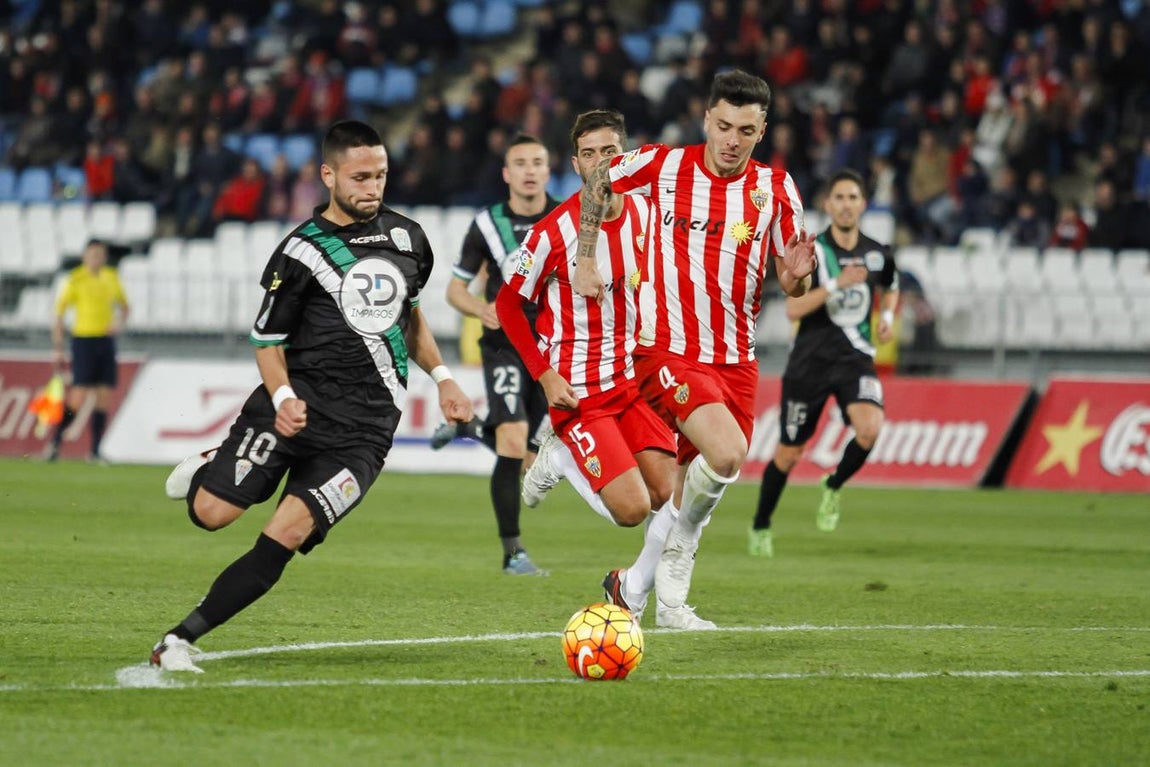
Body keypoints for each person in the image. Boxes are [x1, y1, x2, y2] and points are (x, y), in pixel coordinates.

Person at [149, 120, 473, 673]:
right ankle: (211, 463)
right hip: (294, 411)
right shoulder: (300, 251)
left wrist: (444, 376)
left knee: (287, 533)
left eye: (382, 176)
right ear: (328, 175)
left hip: (365, 432)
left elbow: (409, 317)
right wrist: (281, 399)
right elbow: (267, 341)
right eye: (360, 177)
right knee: (211, 514)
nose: (373, 188)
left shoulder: (409, 239)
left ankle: (178, 641)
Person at [573, 70, 817, 624]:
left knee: (695, 481)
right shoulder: (663, 165)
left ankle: (643, 592)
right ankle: (674, 567)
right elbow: (597, 182)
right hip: (664, 348)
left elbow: (790, 274)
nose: (732, 140)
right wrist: (587, 257)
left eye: (746, 131)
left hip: (736, 359)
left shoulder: (776, 189)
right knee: (727, 452)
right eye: (724, 125)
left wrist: (798, 277)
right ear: (706, 119)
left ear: (762, 131)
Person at [495, 110, 695, 627]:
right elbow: (507, 305)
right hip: (578, 392)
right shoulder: (552, 232)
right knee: (630, 512)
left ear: (624, 156)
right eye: (589, 153)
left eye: (610, 152)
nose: (601, 163)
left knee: (666, 495)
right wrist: (543, 374)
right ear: (576, 164)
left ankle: (625, 587)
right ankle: (559, 457)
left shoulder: (648, 215)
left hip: (628, 383)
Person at [749, 169, 899, 557]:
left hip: (855, 360)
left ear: (863, 204)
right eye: (839, 198)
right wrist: (836, 284)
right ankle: (761, 524)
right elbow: (794, 308)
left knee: (870, 428)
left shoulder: (878, 252)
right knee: (789, 453)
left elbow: (892, 286)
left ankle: (832, 486)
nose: (846, 205)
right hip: (810, 363)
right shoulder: (813, 252)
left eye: (853, 197)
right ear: (828, 204)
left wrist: (885, 318)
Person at [439, 134, 559, 576]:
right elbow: (456, 290)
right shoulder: (487, 225)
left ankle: (467, 427)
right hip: (505, 345)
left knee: (528, 461)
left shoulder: (568, 218)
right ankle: (513, 553)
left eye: (538, 161)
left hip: (552, 351)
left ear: (549, 170)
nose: (530, 170)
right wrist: (482, 309)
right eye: (521, 163)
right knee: (511, 440)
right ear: (507, 174)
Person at [48, 239, 129, 463]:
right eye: (93, 254)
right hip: (83, 341)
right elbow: (59, 314)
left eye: (100, 254)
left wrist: (118, 324)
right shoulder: (75, 279)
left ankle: (94, 451)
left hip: (105, 342)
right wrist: (58, 347)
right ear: (85, 256)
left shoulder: (111, 277)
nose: (97, 258)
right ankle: (55, 443)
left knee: (103, 397)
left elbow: (125, 307)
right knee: (78, 396)